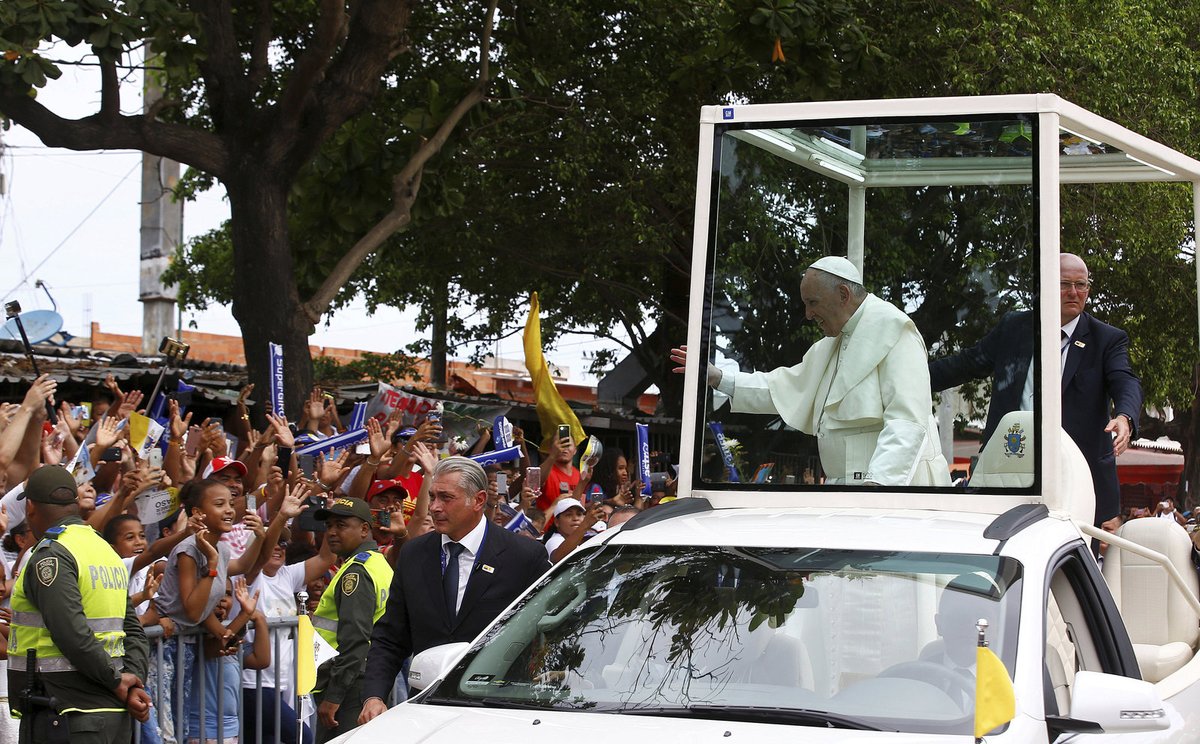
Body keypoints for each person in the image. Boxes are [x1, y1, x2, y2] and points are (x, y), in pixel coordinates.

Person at [671, 255, 950, 486]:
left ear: (843, 294)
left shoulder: (895, 330)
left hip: (892, 488)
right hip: (847, 489)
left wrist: (877, 486)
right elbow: (782, 389)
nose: (807, 314)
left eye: (812, 303)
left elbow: (907, 419)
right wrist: (717, 378)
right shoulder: (829, 346)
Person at [929, 252, 1142, 524]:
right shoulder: (1014, 328)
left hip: (1075, 477)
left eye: (1082, 285)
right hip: (1009, 465)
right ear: (1045, 287)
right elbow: (967, 363)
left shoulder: (1107, 339)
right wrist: (912, 377)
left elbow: (1125, 380)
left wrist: (1125, 416)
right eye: (1065, 284)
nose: (1074, 292)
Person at [358, 457, 551, 724]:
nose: (435, 507)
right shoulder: (414, 554)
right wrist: (374, 697)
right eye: (432, 496)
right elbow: (391, 636)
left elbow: (550, 631)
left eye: (446, 498)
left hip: (500, 714)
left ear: (479, 500)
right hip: (427, 710)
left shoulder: (523, 557)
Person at [8, 465, 152, 744]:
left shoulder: (52, 554)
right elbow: (133, 629)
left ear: (31, 507)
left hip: (67, 715)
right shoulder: (103, 548)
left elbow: (70, 632)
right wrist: (131, 680)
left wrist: (118, 682)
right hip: (109, 714)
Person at [310, 497, 394, 743]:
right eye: (329, 526)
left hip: (350, 687)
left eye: (341, 525)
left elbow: (355, 640)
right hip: (364, 681)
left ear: (365, 529)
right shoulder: (377, 563)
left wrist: (333, 697)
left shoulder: (356, 572)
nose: (332, 532)